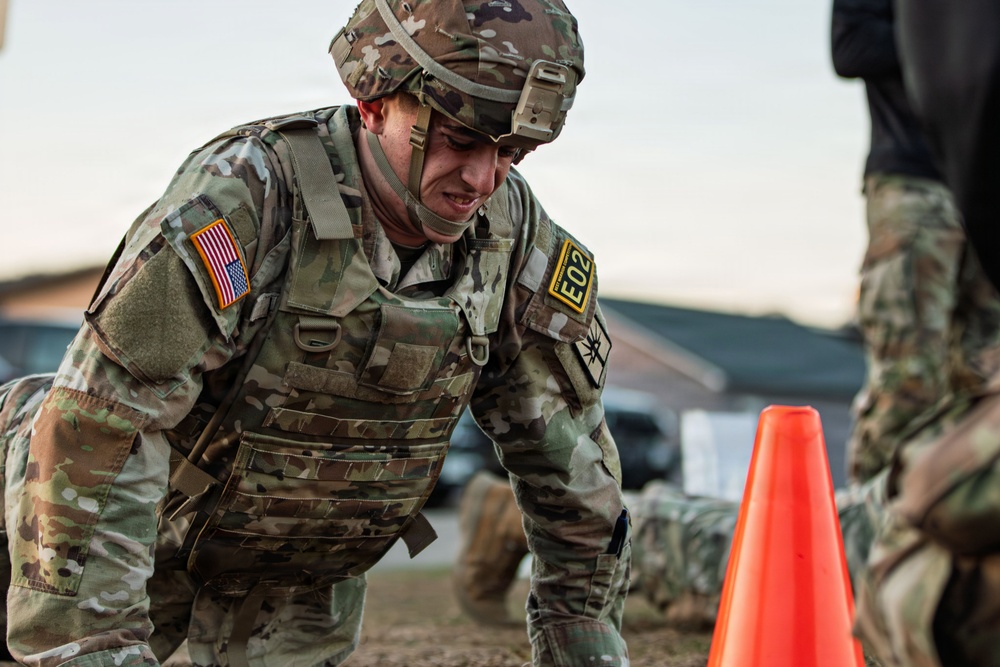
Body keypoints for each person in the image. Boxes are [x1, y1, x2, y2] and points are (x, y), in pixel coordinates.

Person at [0, 2, 633, 666]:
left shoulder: (512, 235)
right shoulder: (250, 196)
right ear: (374, 103)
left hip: (291, 571)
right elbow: (100, 425)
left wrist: (583, 643)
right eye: (458, 139)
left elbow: (572, 464)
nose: (482, 179)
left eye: (511, 151)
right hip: (82, 528)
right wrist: (92, 647)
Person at [853, 3, 1000, 665]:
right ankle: (869, 552)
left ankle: (942, 550)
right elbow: (852, 46)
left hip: (974, 168)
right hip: (913, 178)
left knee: (979, 378)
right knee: (907, 380)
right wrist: (942, 47)